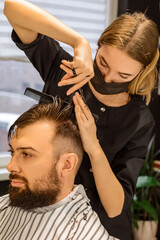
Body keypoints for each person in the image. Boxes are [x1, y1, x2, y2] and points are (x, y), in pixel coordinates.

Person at [3, 1, 160, 239]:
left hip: (97, 227)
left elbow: (115, 207)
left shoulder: (139, 119)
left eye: (124, 75)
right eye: (103, 63)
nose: (108, 77)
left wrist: (93, 147)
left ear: (142, 72)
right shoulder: (67, 71)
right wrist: (78, 42)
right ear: (98, 47)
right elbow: (12, 9)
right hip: (42, 217)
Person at [0, 100, 117, 240]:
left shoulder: (81, 232)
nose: (10, 166)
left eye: (27, 154)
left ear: (66, 164)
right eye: (12, 152)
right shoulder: (4, 206)